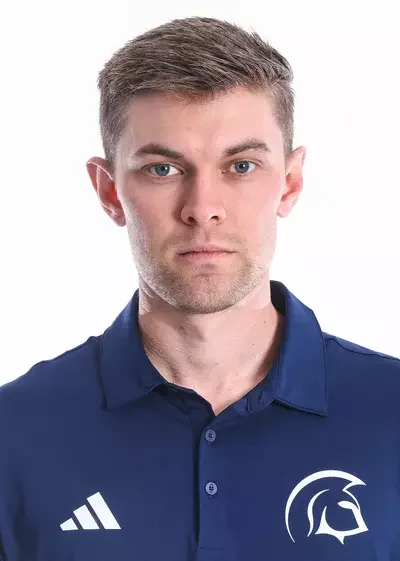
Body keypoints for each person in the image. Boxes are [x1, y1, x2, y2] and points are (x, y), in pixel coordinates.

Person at [1, 15, 399, 561]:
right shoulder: (16, 432)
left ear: (290, 182)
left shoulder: (391, 414)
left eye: (242, 165)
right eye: (162, 169)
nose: (202, 208)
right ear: (109, 191)